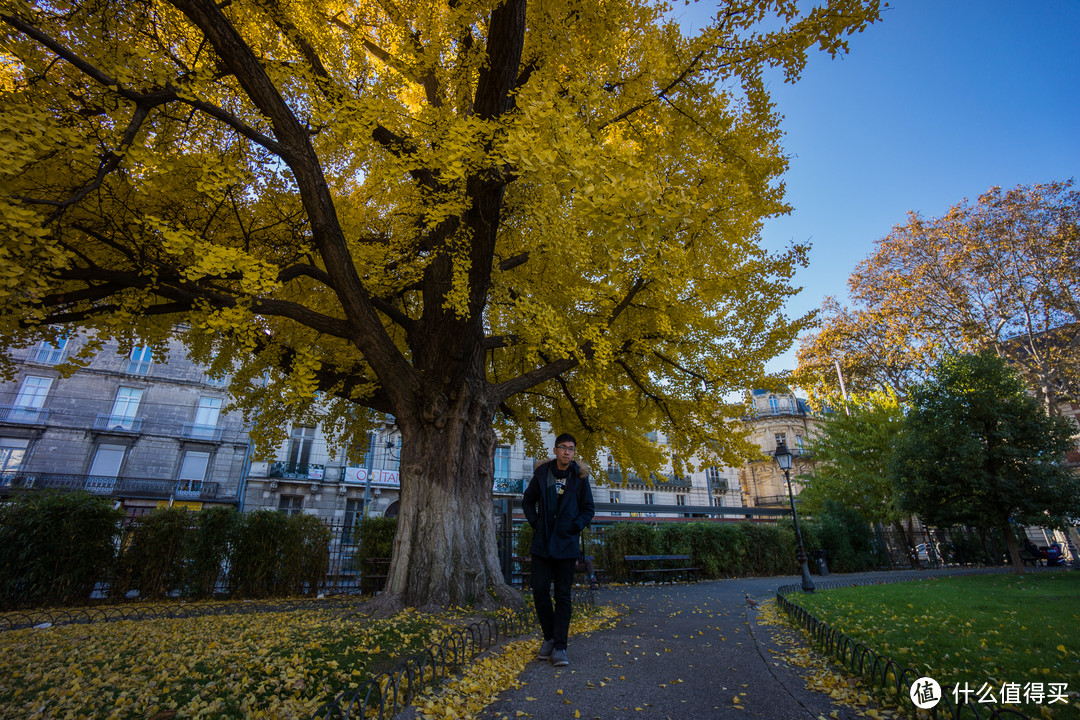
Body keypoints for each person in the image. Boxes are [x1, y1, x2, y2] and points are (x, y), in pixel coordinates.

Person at [522, 433, 595, 667]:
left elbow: (588, 509)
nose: (567, 452)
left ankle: (560, 647)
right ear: (555, 450)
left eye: (571, 449)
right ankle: (549, 637)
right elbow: (527, 501)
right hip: (543, 543)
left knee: (563, 595)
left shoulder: (580, 477)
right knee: (540, 590)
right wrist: (535, 522)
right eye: (563, 447)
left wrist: (575, 526)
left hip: (566, 543)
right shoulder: (542, 474)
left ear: (574, 453)